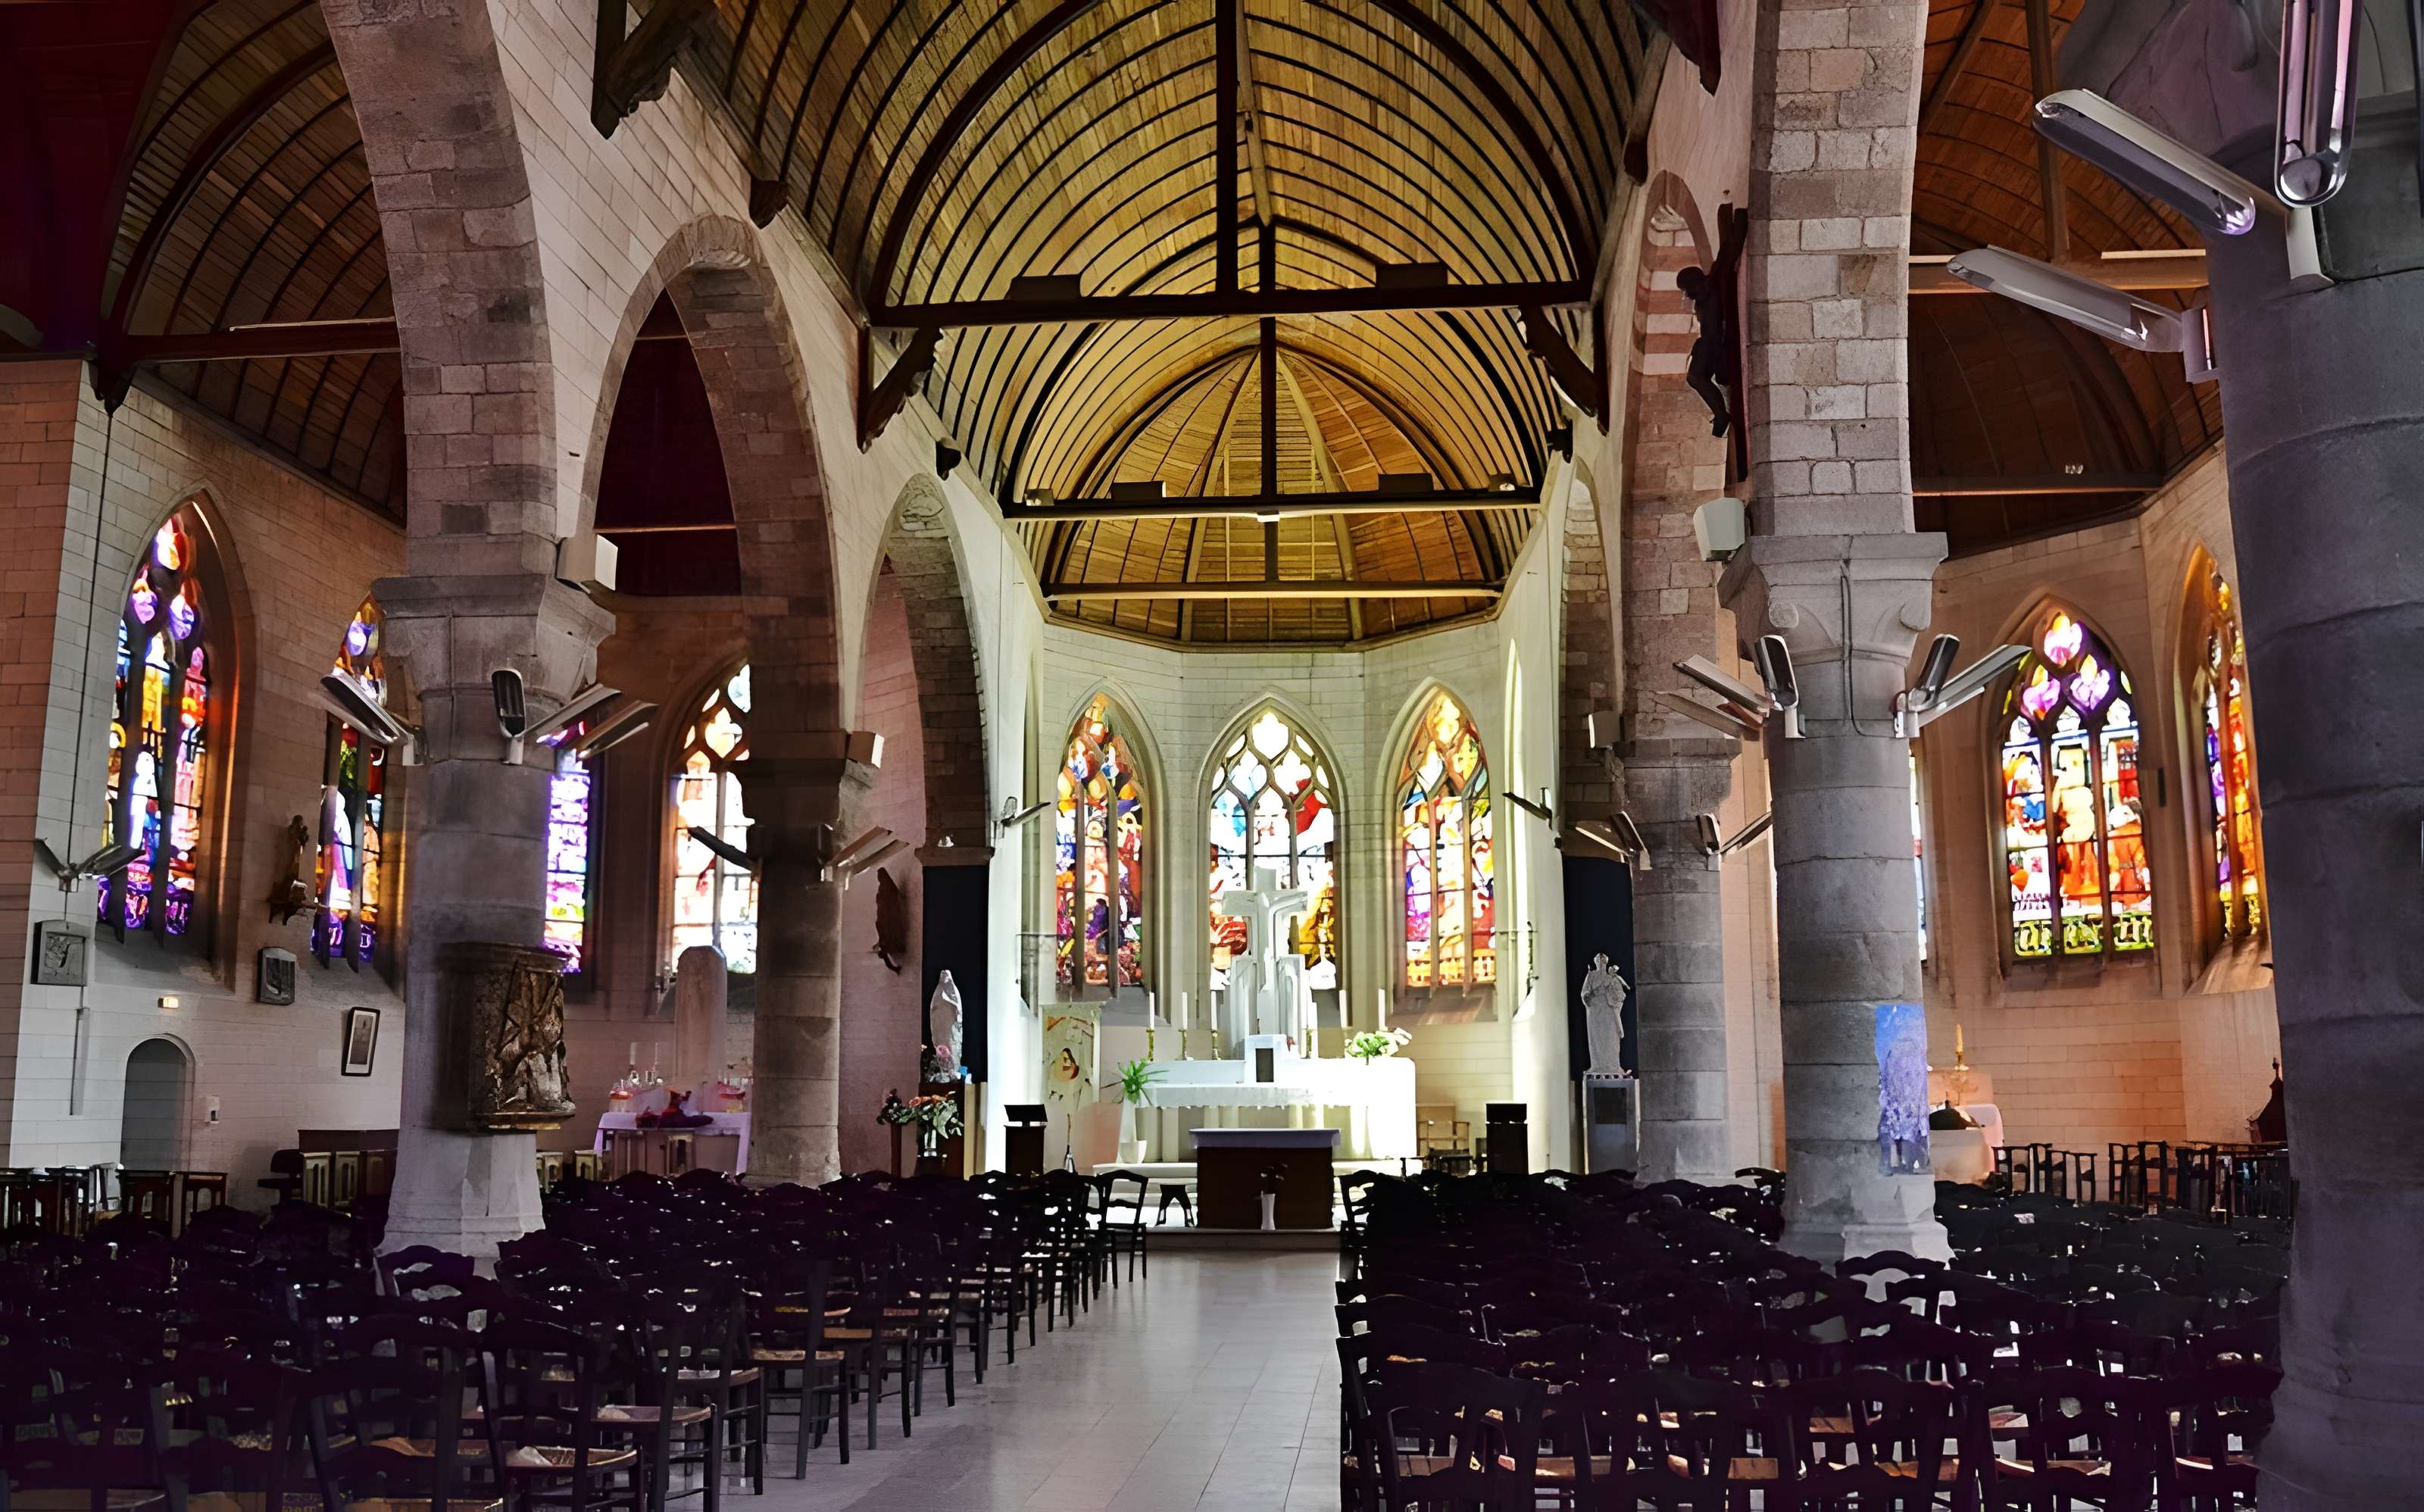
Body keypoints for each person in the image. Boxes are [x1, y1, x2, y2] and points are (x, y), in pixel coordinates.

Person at [1675, 264, 1737, 437]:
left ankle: (1721, 415)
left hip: (1716, 344)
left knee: (1695, 376)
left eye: (1686, 289)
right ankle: (1720, 414)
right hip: (1711, 343)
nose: (1686, 294)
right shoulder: (1704, 298)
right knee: (1694, 377)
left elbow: (1714, 330)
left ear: (1694, 283)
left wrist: (1718, 363)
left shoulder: (1710, 294)